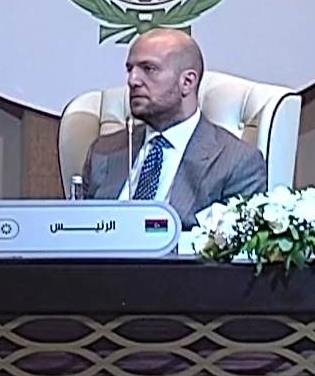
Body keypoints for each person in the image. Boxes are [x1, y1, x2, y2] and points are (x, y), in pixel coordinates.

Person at [79, 28, 267, 227]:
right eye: (130, 69)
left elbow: (234, 242)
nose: (132, 80)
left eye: (149, 69)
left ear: (187, 82)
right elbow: (79, 229)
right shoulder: (104, 151)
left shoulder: (237, 162)